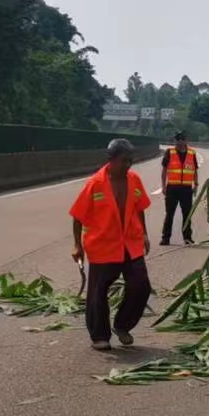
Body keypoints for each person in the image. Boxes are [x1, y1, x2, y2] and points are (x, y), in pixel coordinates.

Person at [70, 138, 152, 351]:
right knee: (98, 292)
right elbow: (78, 216)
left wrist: (144, 234)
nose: (128, 165)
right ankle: (100, 335)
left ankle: (122, 325)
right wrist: (77, 246)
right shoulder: (95, 184)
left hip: (130, 244)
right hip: (103, 247)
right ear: (112, 160)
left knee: (141, 285)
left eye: (130, 160)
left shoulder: (134, 180)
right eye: (124, 160)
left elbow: (139, 208)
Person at [159, 131, 199, 245]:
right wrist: (163, 186)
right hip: (172, 188)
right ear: (175, 140)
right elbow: (164, 170)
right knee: (169, 214)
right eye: (178, 139)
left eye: (182, 139)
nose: (180, 142)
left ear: (186, 140)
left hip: (186, 189)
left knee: (187, 214)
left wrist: (196, 184)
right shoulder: (169, 152)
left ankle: (187, 238)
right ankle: (165, 238)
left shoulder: (192, 153)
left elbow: (195, 170)